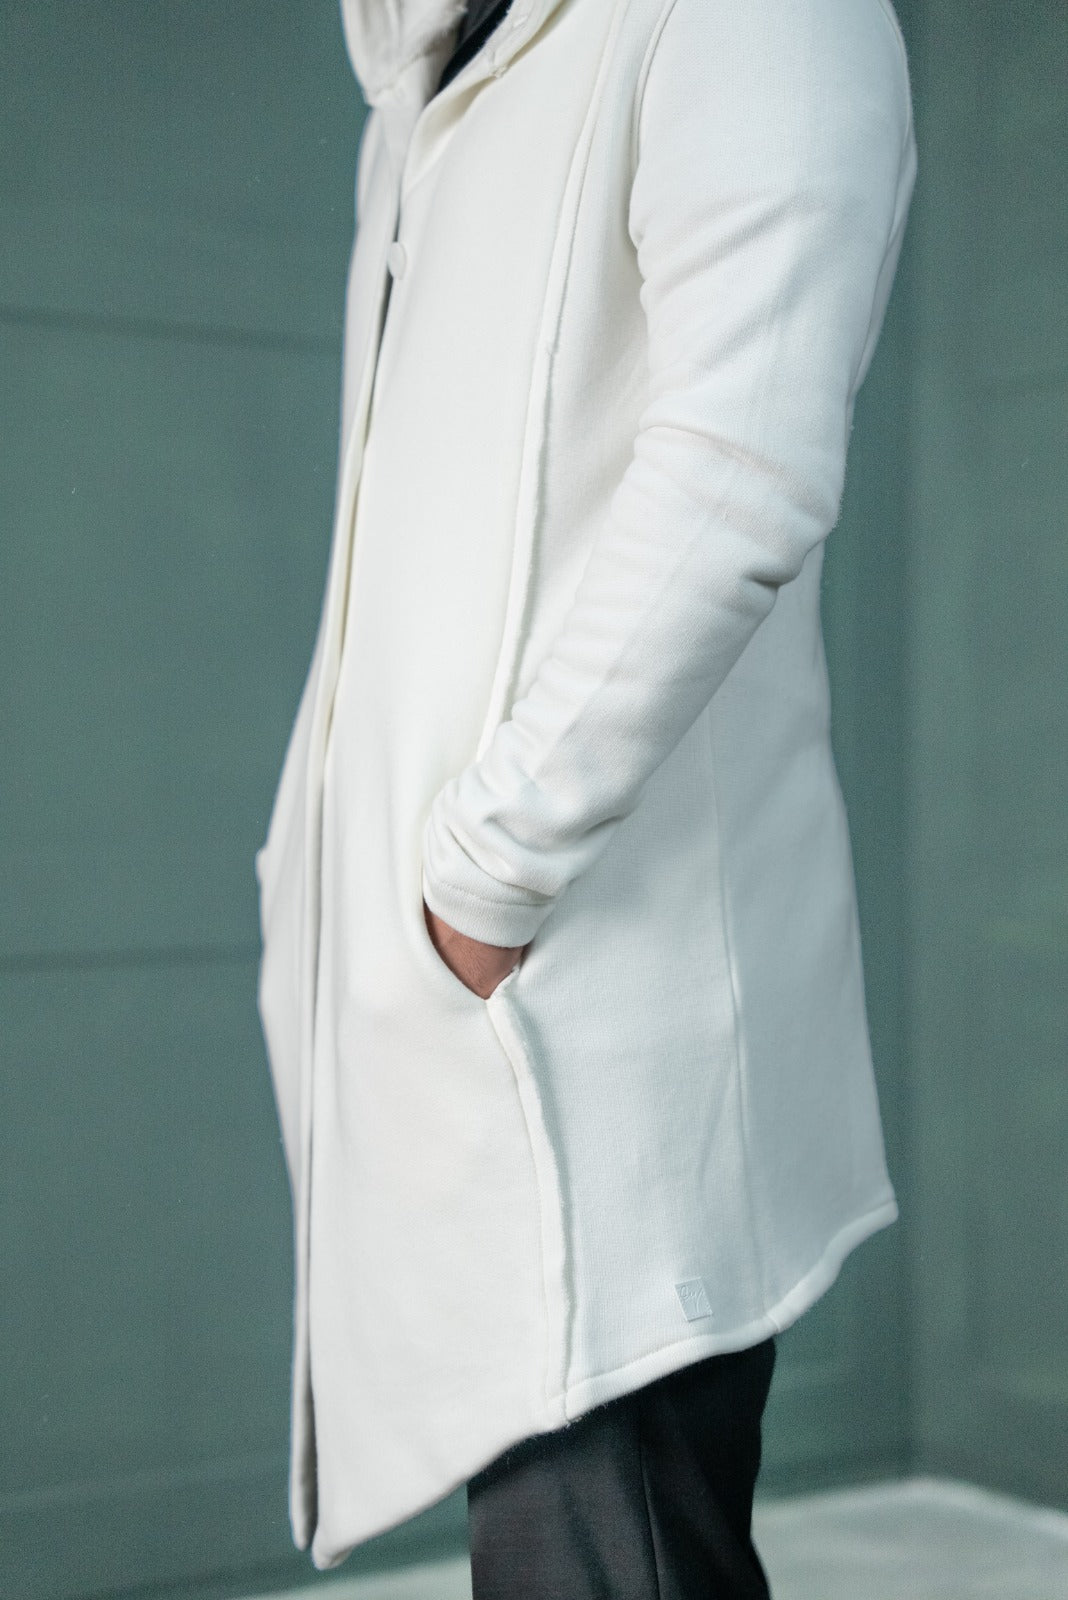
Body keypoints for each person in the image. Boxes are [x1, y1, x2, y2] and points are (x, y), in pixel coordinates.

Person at [253, 0, 917, 1592]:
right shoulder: (428, 87)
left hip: (591, 1019)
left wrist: (483, 882)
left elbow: (741, 467)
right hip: (466, 1026)